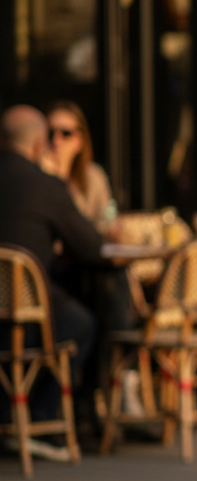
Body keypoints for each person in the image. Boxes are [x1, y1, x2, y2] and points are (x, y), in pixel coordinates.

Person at [0, 105, 104, 457]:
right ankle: (39, 419)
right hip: (25, 315)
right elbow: (91, 247)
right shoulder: (45, 186)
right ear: (37, 146)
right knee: (82, 322)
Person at [44, 101, 117, 230]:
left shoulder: (93, 175)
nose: (56, 140)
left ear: (79, 140)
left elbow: (109, 217)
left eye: (66, 133)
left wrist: (113, 227)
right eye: (50, 133)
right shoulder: (37, 175)